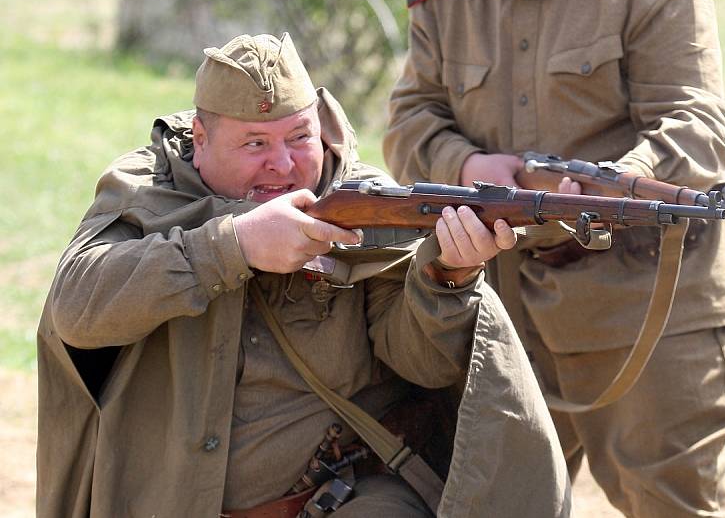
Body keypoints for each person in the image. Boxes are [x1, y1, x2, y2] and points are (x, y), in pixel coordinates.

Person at [36, 33, 570, 518]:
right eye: (254, 144)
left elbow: (422, 366)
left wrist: (448, 276)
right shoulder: (147, 192)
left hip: (334, 498)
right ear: (200, 139)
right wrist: (235, 246)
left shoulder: (367, 206)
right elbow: (77, 310)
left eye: (298, 137)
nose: (283, 165)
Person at [384, 0, 725, 517]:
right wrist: (466, 166)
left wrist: (624, 184)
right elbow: (410, 119)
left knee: (683, 507)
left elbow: (698, 122)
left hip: (653, 307)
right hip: (506, 310)